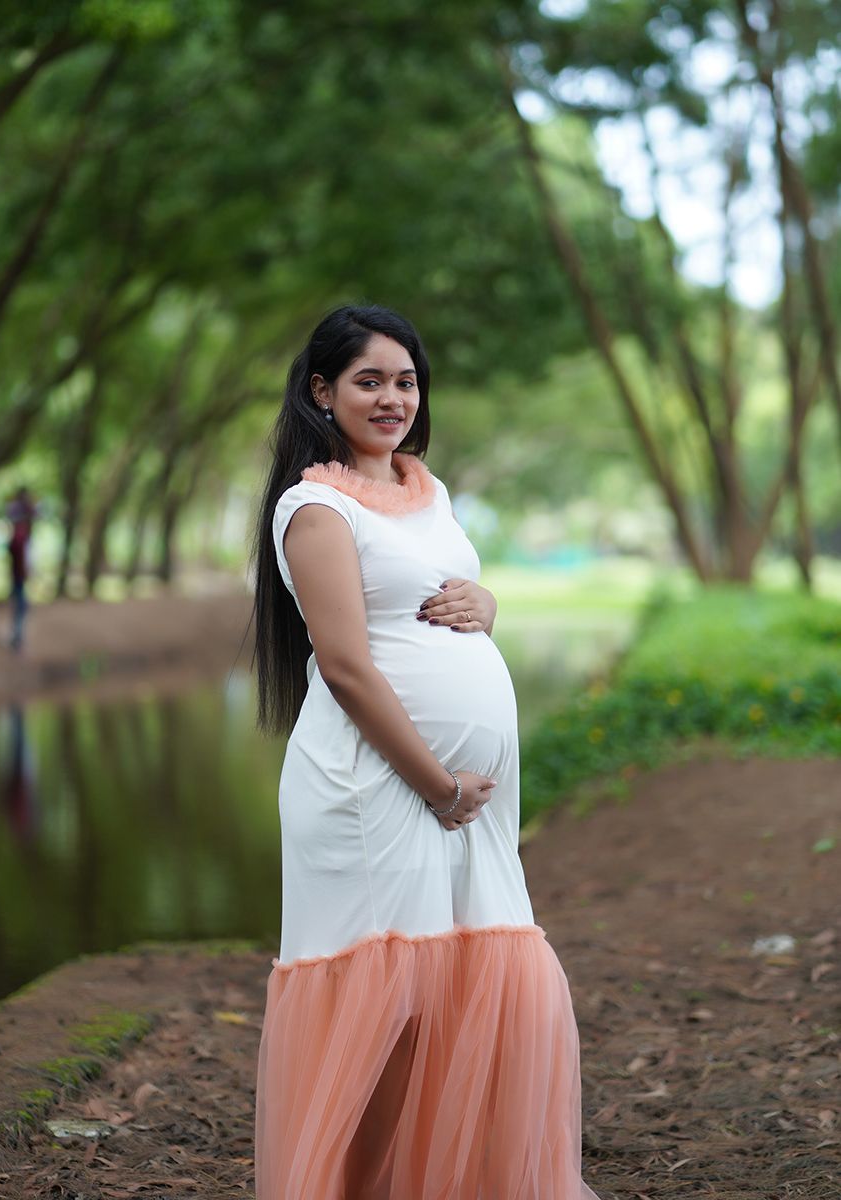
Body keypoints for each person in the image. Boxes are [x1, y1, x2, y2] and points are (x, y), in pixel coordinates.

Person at [251, 304, 601, 1199]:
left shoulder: (428, 489)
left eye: (406, 380)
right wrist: (439, 785)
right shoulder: (314, 506)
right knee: (385, 1009)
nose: (393, 397)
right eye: (369, 380)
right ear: (322, 391)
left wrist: (487, 606)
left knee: (468, 983)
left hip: (463, 804)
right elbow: (347, 668)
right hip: (375, 791)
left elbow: (438, 591)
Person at [4, 486, 39, 652]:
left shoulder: (21, 538)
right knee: (21, 605)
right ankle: (17, 638)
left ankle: (16, 636)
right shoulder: (20, 538)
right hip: (18, 574)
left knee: (20, 605)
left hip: (17, 574)